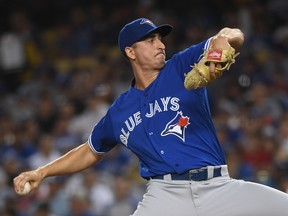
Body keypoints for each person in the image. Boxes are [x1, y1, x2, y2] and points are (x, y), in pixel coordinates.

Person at [14, 17, 288, 216]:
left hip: (218, 187)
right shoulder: (120, 111)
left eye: (160, 38)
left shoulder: (181, 66)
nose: (160, 44)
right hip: (165, 197)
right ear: (130, 52)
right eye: (150, 40)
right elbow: (90, 150)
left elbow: (231, 33)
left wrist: (218, 49)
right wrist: (42, 171)